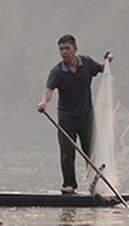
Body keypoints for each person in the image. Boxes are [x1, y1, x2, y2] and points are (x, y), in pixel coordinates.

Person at [37, 34, 113, 194]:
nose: (64, 52)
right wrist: (44, 102)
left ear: (75, 49)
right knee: (67, 153)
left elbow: (101, 68)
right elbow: (49, 90)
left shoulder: (86, 63)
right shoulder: (57, 72)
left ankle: (94, 183)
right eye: (61, 49)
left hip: (86, 117)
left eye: (67, 48)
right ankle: (69, 185)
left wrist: (108, 60)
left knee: (90, 151)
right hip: (66, 119)